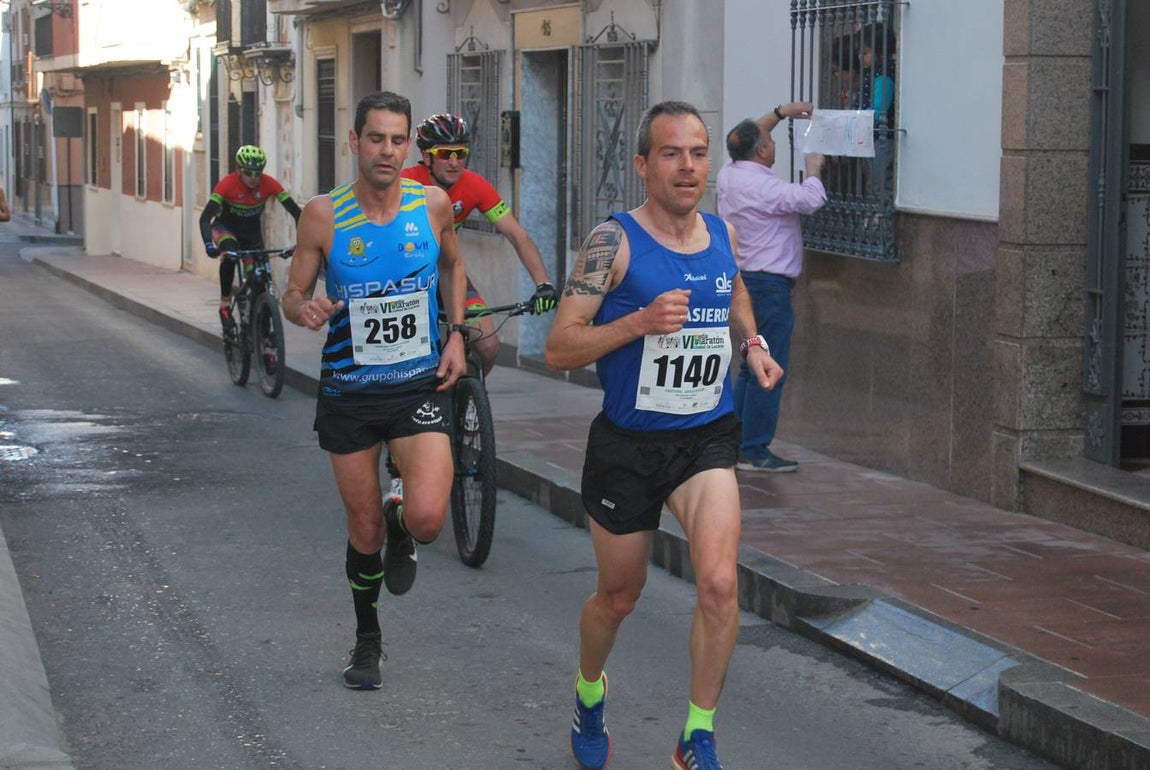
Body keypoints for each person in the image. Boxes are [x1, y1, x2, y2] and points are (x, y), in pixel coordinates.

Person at [545, 100, 785, 770]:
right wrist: (638, 323)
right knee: (619, 596)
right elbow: (558, 347)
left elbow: (734, 291)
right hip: (627, 444)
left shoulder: (720, 233)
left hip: (704, 438)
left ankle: (696, 734)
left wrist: (754, 342)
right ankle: (590, 691)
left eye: (699, 152)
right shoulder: (611, 243)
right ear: (643, 164)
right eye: (673, 153)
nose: (688, 167)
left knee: (718, 584)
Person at [280, 91, 467, 690]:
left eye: (397, 139)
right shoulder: (323, 215)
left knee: (430, 517)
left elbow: (452, 267)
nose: (387, 150)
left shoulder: (433, 204)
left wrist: (457, 333)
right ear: (355, 142)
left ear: (407, 144)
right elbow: (292, 292)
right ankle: (367, 640)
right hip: (349, 394)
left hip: (416, 384)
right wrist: (302, 309)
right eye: (376, 138)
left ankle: (403, 522)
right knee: (362, 533)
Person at [716, 104, 827, 472]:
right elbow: (812, 200)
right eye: (770, 140)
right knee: (769, 366)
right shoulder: (766, 186)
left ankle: (736, 444)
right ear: (761, 151)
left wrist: (781, 112)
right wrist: (814, 168)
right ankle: (755, 449)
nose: (773, 142)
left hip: (743, 280)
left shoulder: (730, 173)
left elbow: (748, 133)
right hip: (768, 285)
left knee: (750, 365)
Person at [401, 113, 556, 375]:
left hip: (447, 274)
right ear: (426, 156)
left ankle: (468, 405)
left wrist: (543, 284)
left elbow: (518, 235)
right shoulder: (404, 184)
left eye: (460, 154)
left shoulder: (474, 185)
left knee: (488, 344)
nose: (454, 162)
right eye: (444, 154)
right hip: (403, 277)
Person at [199, 145, 302, 333]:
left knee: (261, 278)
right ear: (239, 170)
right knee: (230, 255)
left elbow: (297, 213)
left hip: (251, 234)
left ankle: (263, 331)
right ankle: (224, 304)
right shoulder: (227, 185)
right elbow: (205, 219)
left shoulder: (269, 183)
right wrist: (208, 245)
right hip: (225, 229)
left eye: (257, 173)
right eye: (248, 173)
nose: (253, 178)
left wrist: (303, 244)